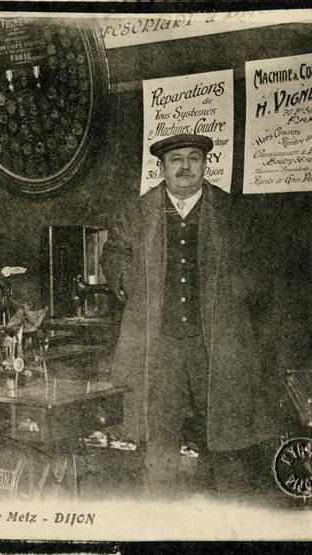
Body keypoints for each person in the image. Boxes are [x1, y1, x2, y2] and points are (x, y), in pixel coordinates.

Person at [101, 133, 283, 498]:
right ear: (161, 167)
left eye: (193, 158)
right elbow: (114, 252)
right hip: (159, 345)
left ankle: (227, 528)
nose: (185, 166)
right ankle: (161, 529)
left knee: (228, 438)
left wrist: (232, 296)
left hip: (217, 344)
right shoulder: (138, 211)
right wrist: (126, 279)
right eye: (175, 160)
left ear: (205, 164)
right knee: (158, 442)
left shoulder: (231, 211)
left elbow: (259, 265)